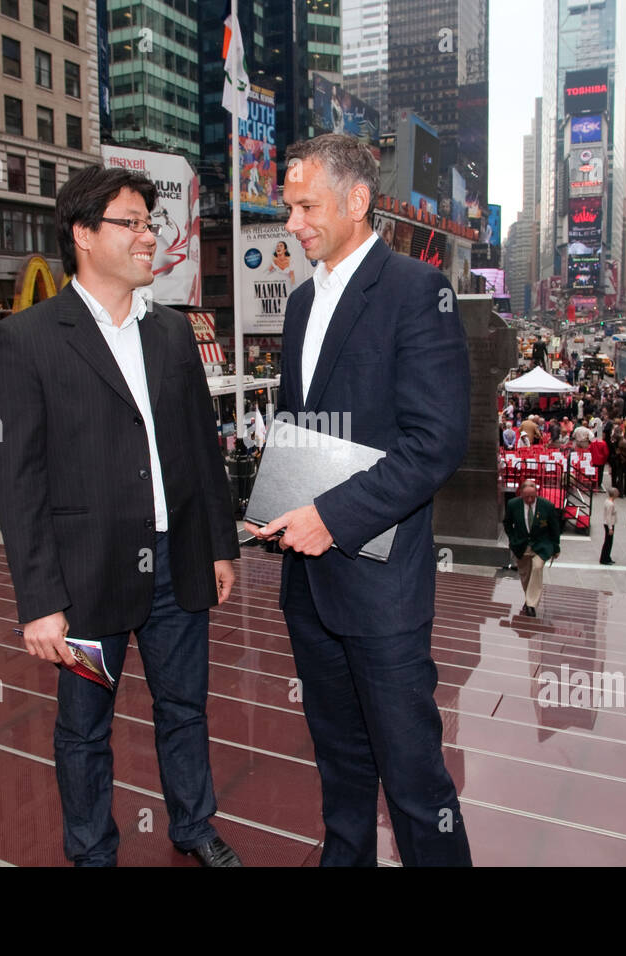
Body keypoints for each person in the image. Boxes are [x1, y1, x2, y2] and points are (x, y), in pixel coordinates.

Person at [0, 165, 241, 868]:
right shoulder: (27, 339)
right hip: (86, 583)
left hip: (177, 568)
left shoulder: (172, 334)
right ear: (83, 235)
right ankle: (93, 851)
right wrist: (40, 603)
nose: (148, 236)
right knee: (84, 728)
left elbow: (200, 448)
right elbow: (18, 482)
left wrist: (220, 546)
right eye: (130, 223)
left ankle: (194, 827)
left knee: (185, 709)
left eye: (149, 223)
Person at [245, 134, 471, 867]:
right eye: (289, 205)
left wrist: (330, 518)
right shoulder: (303, 301)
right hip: (308, 587)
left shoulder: (415, 290)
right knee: (340, 770)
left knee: (414, 783)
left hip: (382, 594)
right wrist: (278, 499)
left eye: (305, 205)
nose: (292, 222)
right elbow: (309, 428)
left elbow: (433, 442)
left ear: (357, 201)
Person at [504, 479, 561, 618]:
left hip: (542, 545)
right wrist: (512, 539)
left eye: (532, 496)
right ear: (521, 494)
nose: (529, 499)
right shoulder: (513, 505)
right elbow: (507, 524)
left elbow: (555, 528)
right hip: (521, 545)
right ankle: (529, 598)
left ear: (537, 493)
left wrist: (556, 547)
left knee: (537, 567)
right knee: (525, 575)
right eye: (526, 497)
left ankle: (531, 605)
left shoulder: (547, 506)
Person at [600, 486, 619, 565]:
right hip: (609, 524)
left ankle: (607, 557)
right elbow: (608, 516)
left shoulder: (607, 501)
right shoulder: (610, 504)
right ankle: (605, 558)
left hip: (608, 523)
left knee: (608, 542)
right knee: (608, 542)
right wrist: (610, 528)